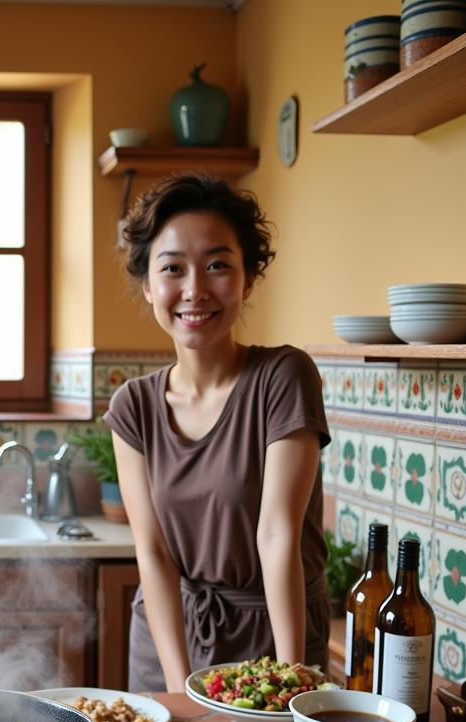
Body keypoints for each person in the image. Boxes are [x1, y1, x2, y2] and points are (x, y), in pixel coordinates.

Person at [102, 172, 330, 693]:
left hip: (273, 636)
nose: (195, 290)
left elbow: (277, 534)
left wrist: (289, 680)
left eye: (218, 265)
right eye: (173, 269)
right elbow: (154, 554)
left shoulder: (284, 376)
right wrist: (182, 688)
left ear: (248, 280)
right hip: (169, 637)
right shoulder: (133, 406)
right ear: (148, 286)